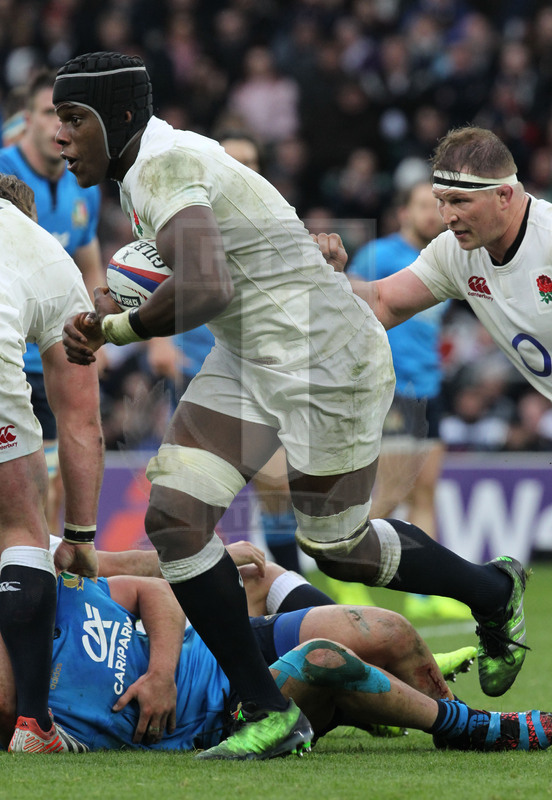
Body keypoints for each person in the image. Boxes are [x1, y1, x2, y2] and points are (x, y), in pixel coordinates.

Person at [55, 54, 526, 763]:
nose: (62, 138)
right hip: (252, 352)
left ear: (117, 117)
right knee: (176, 520)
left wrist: (116, 330)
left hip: (322, 355)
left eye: (72, 119)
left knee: (338, 547)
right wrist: (117, 307)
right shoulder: (157, 164)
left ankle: (492, 591)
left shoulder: (161, 166)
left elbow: (206, 287)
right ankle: (268, 709)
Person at [0, 566, 547, 755]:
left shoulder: (61, 587)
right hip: (221, 719)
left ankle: (424, 708)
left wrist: (161, 672)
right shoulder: (13, 684)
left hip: (224, 652)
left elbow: (154, 592)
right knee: (324, 660)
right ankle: (469, 729)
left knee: (388, 628)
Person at [0, 173, 104, 753]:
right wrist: (80, 536)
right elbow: (81, 422)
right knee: (20, 527)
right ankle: (35, 726)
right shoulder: (52, 257)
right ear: (30, 214)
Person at [348, 181, 470, 622]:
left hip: (430, 388)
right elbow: (349, 310)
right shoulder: (379, 256)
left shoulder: (448, 257)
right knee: (392, 491)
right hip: (392, 387)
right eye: (423, 205)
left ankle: (424, 591)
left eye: (436, 206)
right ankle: (345, 569)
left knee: (426, 491)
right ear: (404, 212)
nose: (432, 213)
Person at [0, 68, 104, 533]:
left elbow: (88, 263)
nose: (58, 127)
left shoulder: (85, 188)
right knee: (27, 485)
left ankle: (45, 571)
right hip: (11, 356)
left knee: (56, 483)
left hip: (53, 352)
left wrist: (102, 322)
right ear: (25, 121)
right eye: (48, 113)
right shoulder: (5, 171)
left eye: (66, 117)